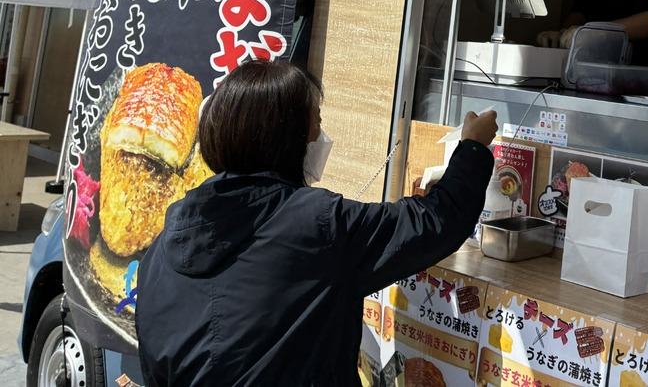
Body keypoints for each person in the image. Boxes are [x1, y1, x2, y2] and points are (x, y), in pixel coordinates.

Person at [136, 58, 497, 387]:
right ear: (288, 138)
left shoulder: (162, 247)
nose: (321, 136)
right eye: (317, 122)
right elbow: (436, 221)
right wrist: (473, 147)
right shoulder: (315, 224)